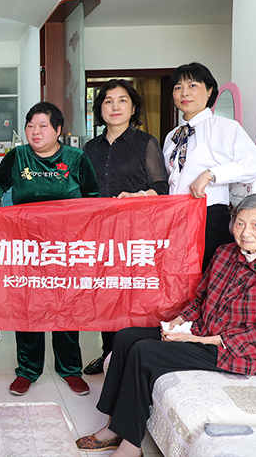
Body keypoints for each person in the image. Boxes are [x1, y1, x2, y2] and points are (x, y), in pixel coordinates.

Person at [76, 193, 256, 457]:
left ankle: (130, 445)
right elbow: (200, 300)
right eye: (240, 223)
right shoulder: (225, 253)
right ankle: (112, 427)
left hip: (239, 352)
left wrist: (196, 340)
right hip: (202, 332)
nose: (245, 233)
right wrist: (178, 322)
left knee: (144, 351)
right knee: (125, 337)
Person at [0, 101, 99, 397]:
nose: (35, 132)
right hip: (27, 248)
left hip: (65, 249)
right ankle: (27, 370)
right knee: (28, 308)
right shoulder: (18, 156)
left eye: (43, 126)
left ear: (58, 130)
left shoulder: (75, 158)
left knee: (65, 308)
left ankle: (70, 369)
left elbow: (93, 197)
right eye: (30, 126)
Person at [82, 79, 169, 376]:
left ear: (133, 109)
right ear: (100, 109)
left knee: (132, 297)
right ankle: (108, 354)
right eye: (108, 101)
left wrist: (138, 196)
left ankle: (130, 356)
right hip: (99, 235)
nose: (115, 106)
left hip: (135, 234)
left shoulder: (145, 143)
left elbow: (161, 188)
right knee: (105, 296)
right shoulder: (90, 148)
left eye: (122, 100)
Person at [163, 62, 256, 272]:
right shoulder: (172, 136)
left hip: (209, 218)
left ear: (209, 91)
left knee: (208, 278)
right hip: (176, 217)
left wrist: (210, 174)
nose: (184, 93)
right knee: (179, 277)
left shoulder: (224, 127)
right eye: (178, 87)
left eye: (192, 85)